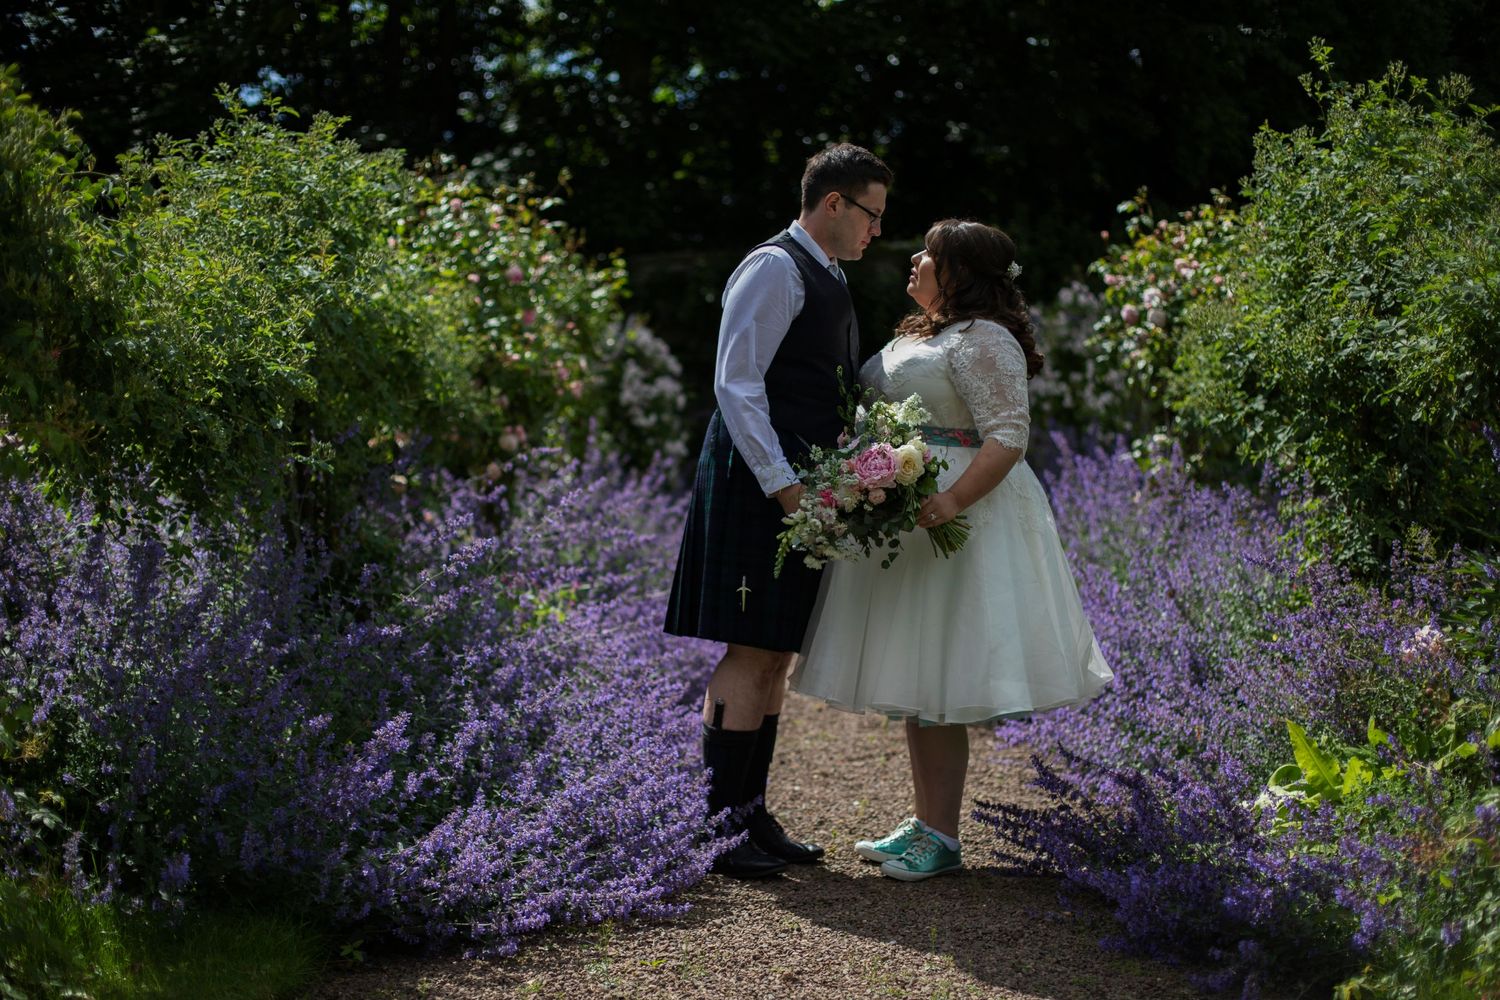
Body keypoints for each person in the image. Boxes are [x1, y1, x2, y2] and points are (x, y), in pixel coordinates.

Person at [790, 219, 1113, 881]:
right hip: (907, 514)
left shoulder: (982, 337)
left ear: (959, 271)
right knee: (921, 681)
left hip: (961, 521)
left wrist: (953, 500)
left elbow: (1007, 435)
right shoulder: (924, 332)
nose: (914, 258)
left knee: (940, 677)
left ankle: (941, 836)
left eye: (930, 253)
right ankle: (927, 822)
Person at [665, 144, 894, 878]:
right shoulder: (774, 267)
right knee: (750, 649)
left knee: (775, 650)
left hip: (798, 487)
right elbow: (736, 384)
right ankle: (716, 827)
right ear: (833, 203)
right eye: (871, 214)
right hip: (758, 483)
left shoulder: (827, 273)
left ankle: (750, 814)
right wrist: (784, 487)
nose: (877, 230)